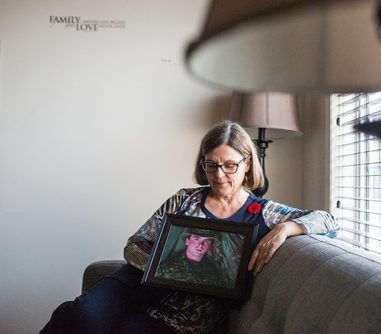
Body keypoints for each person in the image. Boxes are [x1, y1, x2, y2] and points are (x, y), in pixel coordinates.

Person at [41, 120, 338, 334]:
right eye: (211, 165)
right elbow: (134, 245)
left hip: (179, 318)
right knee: (80, 315)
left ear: (247, 164)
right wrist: (165, 267)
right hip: (136, 285)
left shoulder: (263, 213)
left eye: (230, 165)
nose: (219, 175)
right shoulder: (184, 200)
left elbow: (328, 219)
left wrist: (285, 229)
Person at [155, 229, 226, 287]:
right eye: (196, 239)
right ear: (187, 241)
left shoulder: (213, 275)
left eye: (206, 241)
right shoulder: (165, 266)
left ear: (209, 247)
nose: (200, 245)